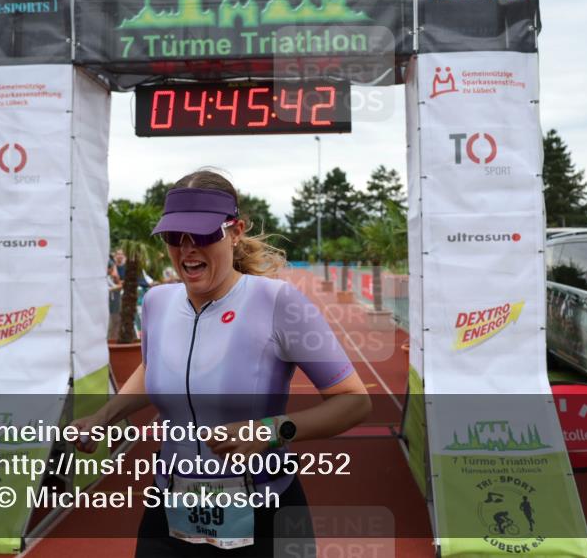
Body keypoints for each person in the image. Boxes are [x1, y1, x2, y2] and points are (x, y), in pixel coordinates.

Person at [71, 171, 371, 556]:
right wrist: (104, 417)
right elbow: (156, 370)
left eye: (203, 235)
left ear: (236, 231)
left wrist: (269, 431)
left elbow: (354, 401)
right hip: (170, 511)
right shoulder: (158, 303)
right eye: (174, 238)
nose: (187, 249)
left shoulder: (279, 303)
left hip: (265, 514)